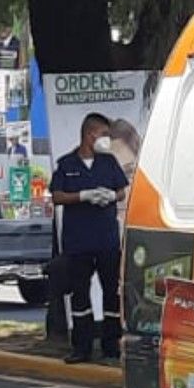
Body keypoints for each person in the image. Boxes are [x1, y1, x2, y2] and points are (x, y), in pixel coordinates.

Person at [50, 113, 129, 364]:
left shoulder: (108, 162)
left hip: (107, 241)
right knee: (80, 296)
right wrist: (83, 196)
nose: (107, 140)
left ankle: (111, 346)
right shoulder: (67, 164)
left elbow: (121, 191)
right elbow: (57, 196)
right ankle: (81, 347)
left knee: (111, 294)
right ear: (90, 135)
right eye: (104, 134)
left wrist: (111, 196)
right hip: (78, 243)